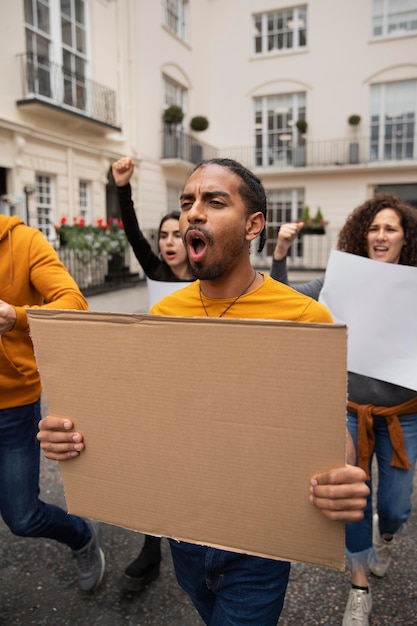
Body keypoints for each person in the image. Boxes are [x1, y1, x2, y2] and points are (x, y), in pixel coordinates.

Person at [37, 158, 369, 626]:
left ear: (254, 224)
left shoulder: (305, 318)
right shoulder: (165, 314)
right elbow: (144, 418)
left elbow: (329, 432)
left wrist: (345, 474)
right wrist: (70, 435)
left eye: (215, 202)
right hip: (184, 537)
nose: (194, 213)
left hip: (261, 545)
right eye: (187, 202)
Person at [271, 194, 417, 626]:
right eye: (373, 228)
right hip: (350, 412)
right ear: (362, 235)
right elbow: (287, 302)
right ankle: (359, 586)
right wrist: (279, 254)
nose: (380, 235)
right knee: (353, 498)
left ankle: (385, 537)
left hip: (403, 417)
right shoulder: (342, 280)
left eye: (390, 228)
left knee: (394, 507)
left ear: (405, 238)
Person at [0, 214, 105, 592]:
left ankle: (81, 535)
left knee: (23, 517)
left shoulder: (23, 241)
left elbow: (74, 305)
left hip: (11, 406)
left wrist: (17, 316)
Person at [112, 156, 194, 593]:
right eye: (162, 236)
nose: (167, 243)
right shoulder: (155, 271)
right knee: (154, 463)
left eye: (175, 235)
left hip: (199, 385)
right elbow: (130, 231)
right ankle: (150, 548)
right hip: (159, 381)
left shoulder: (207, 278)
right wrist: (122, 188)